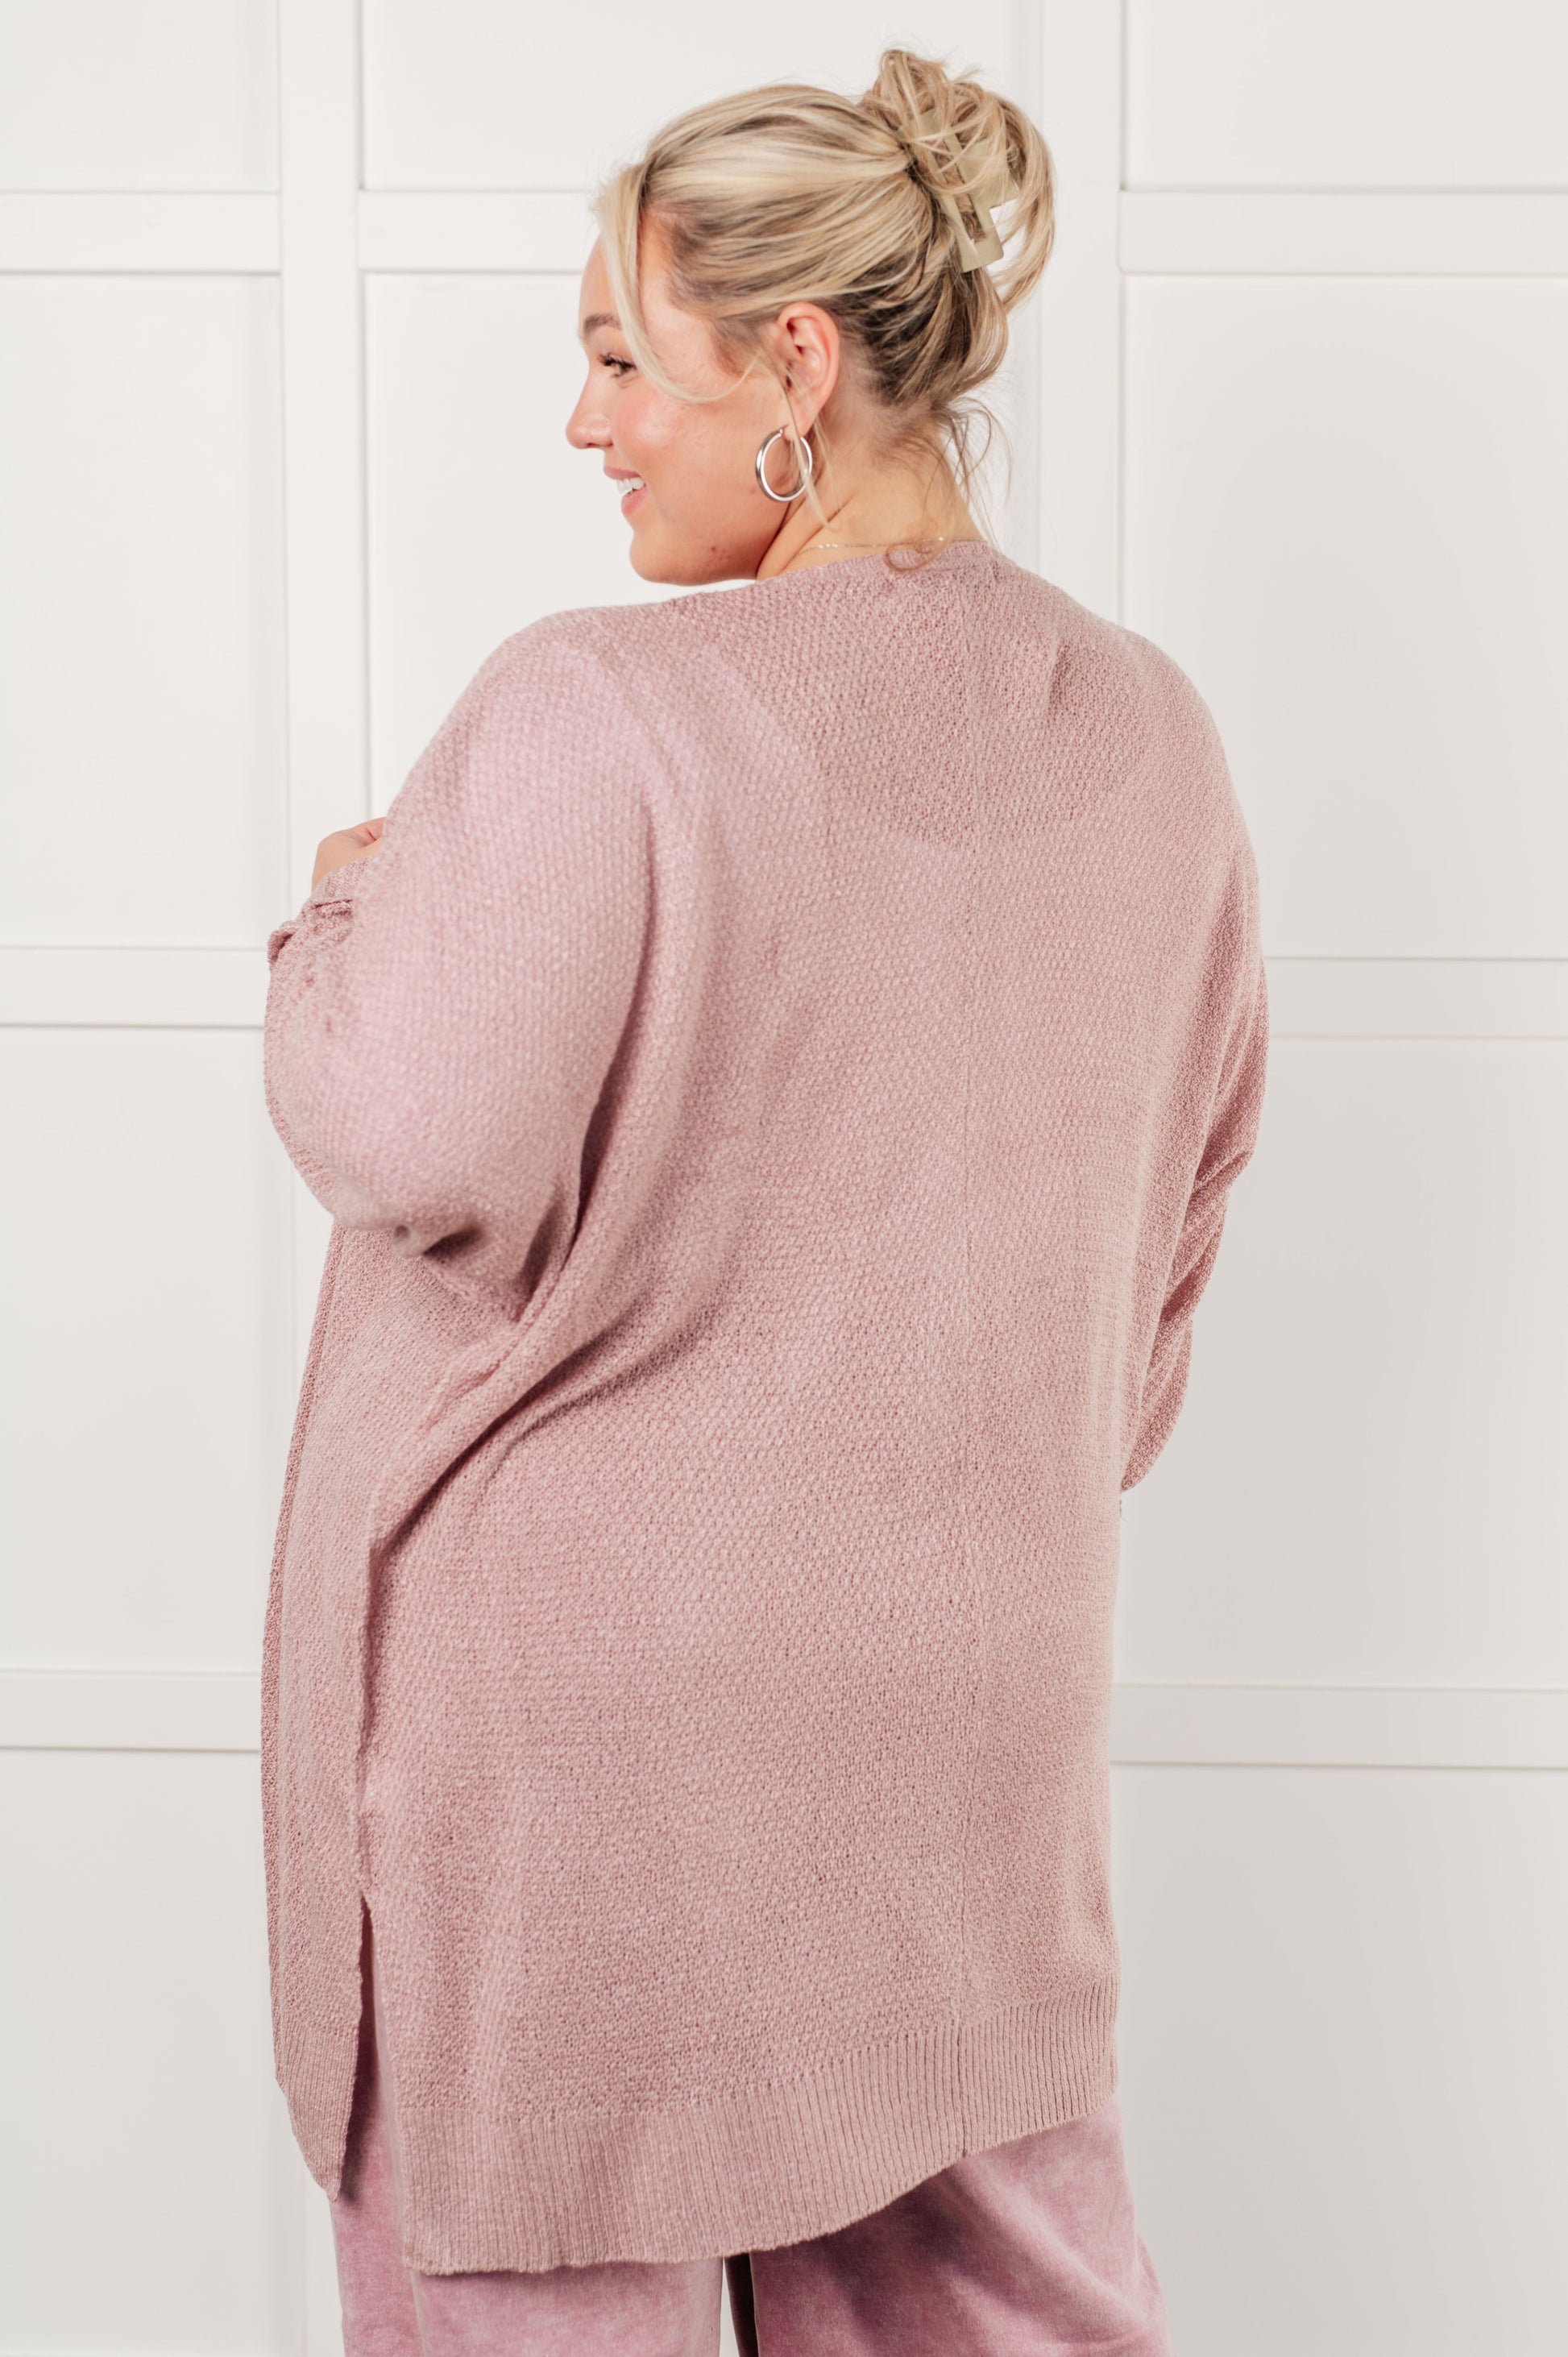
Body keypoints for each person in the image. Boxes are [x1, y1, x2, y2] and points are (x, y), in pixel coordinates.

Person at [260, 46, 1269, 2356]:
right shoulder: (1152, 732)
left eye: (624, 356)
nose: (585, 423)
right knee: (1000, 2316)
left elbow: (405, 1126)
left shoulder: (594, 710)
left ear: (794, 363)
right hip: (960, 1723)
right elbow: (1166, 1244)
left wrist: (346, 910)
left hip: (574, 1761)